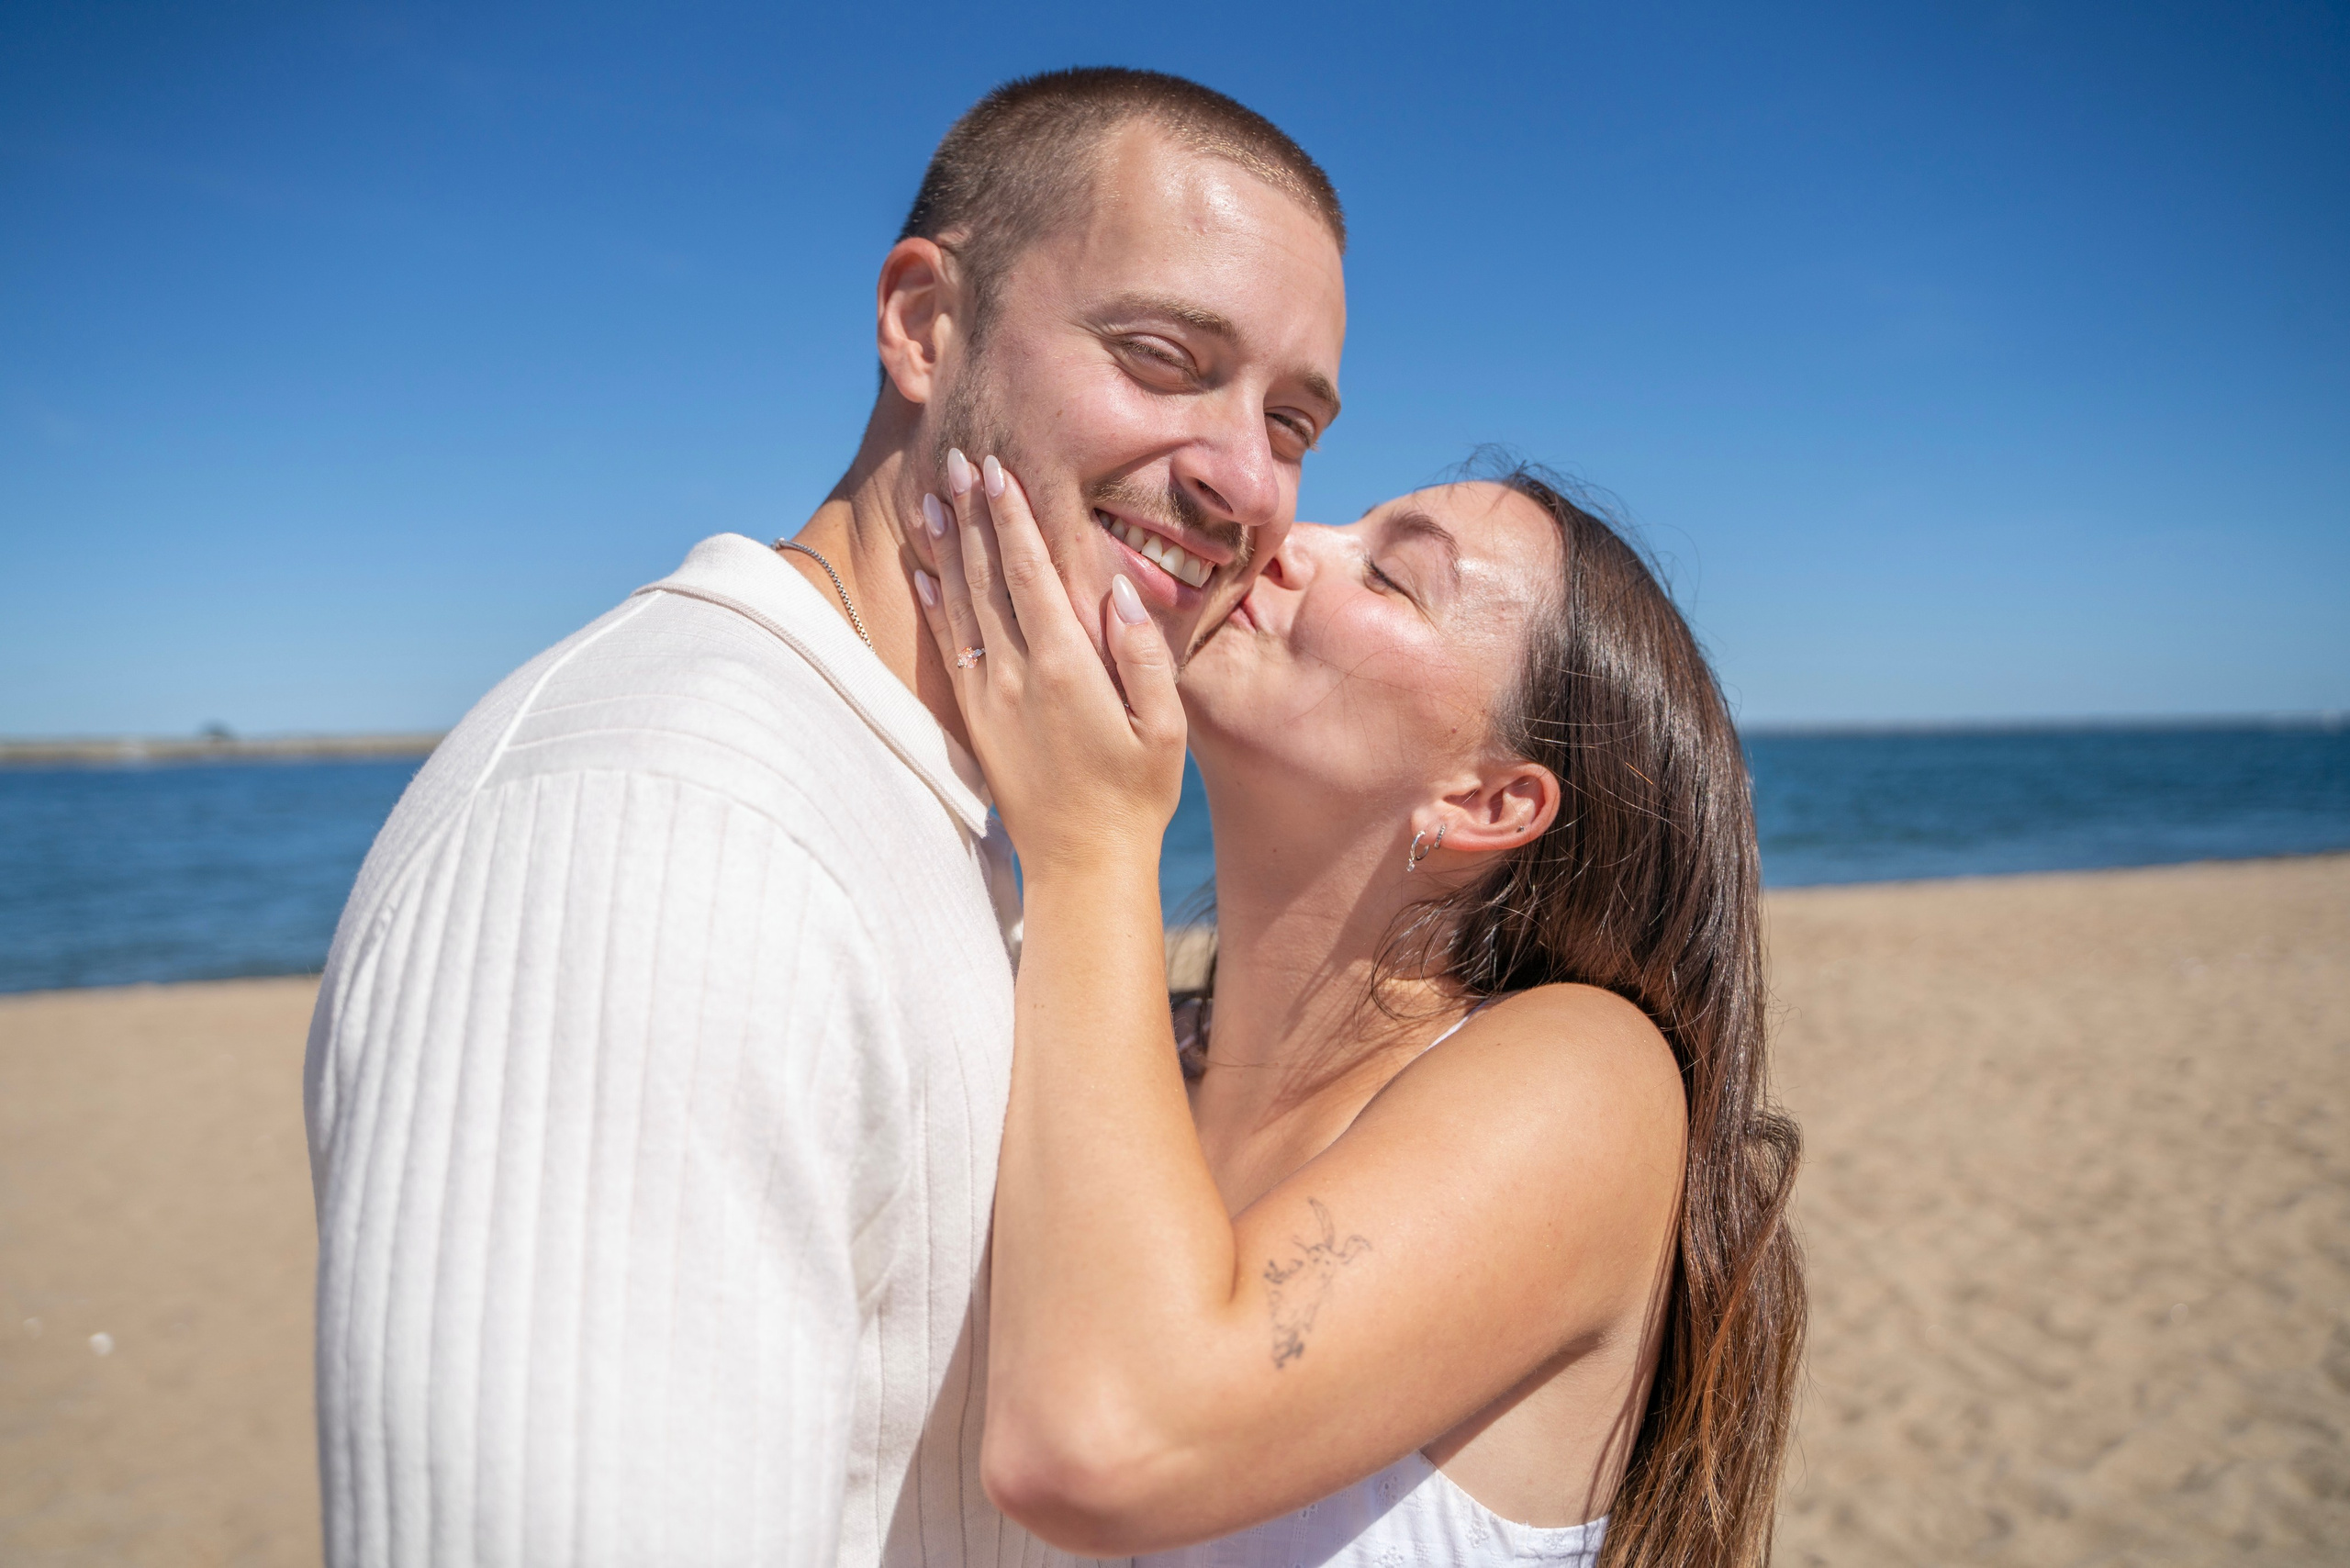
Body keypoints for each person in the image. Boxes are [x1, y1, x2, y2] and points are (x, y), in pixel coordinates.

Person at [302, 69, 1345, 1567]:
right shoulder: (657, 819)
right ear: (925, 324)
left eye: (1294, 419)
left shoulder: (997, 812)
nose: (1247, 478)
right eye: (1164, 356)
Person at [912, 454, 1806, 1566]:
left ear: (1486, 801)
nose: (1287, 535)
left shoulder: (1589, 1075)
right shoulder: (1105, 1061)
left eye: (1390, 577)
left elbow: (1106, 1444)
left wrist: (1090, 841)